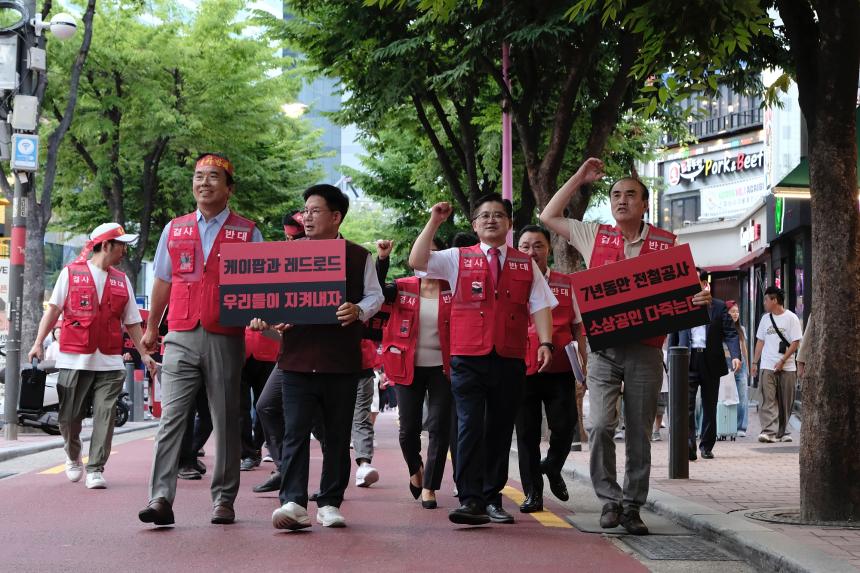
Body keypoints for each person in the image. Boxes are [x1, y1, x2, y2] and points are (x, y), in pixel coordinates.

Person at [540, 158, 711, 535]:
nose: (621, 201)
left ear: (645, 203)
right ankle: (609, 500)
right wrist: (579, 178)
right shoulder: (594, 236)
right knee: (600, 425)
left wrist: (700, 299)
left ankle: (633, 506)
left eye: (630, 195)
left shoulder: (668, 243)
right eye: (615, 195)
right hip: (604, 350)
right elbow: (549, 215)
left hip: (647, 351)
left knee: (638, 433)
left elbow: (690, 292)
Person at [410, 194, 557, 526]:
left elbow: (540, 305)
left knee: (500, 429)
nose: (492, 220)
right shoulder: (457, 257)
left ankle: (492, 498)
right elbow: (417, 260)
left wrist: (546, 342)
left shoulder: (524, 263)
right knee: (470, 425)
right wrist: (434, 221)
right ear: (475, 225)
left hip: (509, 356)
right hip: (468, 356)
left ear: (509, 224)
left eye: (499, 215)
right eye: (484, 216)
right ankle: (471, 499)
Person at [138, 152, 263, 527]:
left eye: (213, 177)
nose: (204, 183)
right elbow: (162, 279)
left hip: (225, 335)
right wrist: (151, 327)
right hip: (179, 333)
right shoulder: (174, 229)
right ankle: (160, 497)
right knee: (171, 418)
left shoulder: (248, 231)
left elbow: (262, 284)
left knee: (225, 419)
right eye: (198, 176)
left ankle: (224, 500)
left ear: (229, 188)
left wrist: (260, 313)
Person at [257, 184, 384, 531]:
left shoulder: (359, 256)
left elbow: (376, 297)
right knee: (295, 433)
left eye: (315, 211)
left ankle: (329, 502)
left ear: (336, 216)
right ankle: (294, 502)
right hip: (296, 359)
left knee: (337, 436)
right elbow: (270, 301)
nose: (307, 217)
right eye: (305, 211)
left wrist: (358, 309)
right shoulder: (287, 254)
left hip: (340, 362)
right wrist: (263, 319)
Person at [28, 223, 155, 489]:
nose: (125, 251)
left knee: (105, 415)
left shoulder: (122, 281)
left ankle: (96, 467)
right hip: (74, 359)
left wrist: (144, 354)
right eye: (121, 245)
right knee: (69, 419)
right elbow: (53, 311)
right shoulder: (71, 274)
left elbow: (132, 323)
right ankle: (73, 454)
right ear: (106, 245)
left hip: (109, 361)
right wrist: (38, 342)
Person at [514, 225, 587, 514]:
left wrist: (584, 362)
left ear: (548, 249)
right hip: (521, 367)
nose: (531, 252)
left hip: (560, 367)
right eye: (525, 246)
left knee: (565, 424)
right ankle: (533, 493)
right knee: (527, 434)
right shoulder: (511, 282)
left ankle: (552, 465)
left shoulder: (567, 283)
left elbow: (578, 327)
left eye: (538, 246)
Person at [377, 237, 453, 510]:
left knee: (438, 426)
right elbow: (374, 290)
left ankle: (430, 486)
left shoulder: (453, 288)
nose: (426, 262)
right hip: (406, 366)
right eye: (422, 256)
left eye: (432, 256)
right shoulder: (401, 287)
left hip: (444, 368)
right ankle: (415, 469)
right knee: (408, 429)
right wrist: (383, 260)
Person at [668, 270, 740, 460]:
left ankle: (706, 445)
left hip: (710, 360)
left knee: (710, 405)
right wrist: (670, 360)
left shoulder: (718, 306)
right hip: (687, 360)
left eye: (696, 282)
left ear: (703, 284)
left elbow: (730, 333)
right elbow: (672, 335)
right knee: (687, 406)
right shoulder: (680, 306)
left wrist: (735, 356)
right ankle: (689, 444)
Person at [751, 286, 802, 443]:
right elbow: (760, 341)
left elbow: (795, 343)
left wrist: (783, 360)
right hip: (767, 365)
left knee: (786, 401)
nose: (764, 303)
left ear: (774, 300)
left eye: (766, 299)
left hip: (787, 367)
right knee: (768, 399)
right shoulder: (765, 319)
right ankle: (769, 431)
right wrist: (754, 362)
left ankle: (782, 431)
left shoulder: (791, 318)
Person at [240, 328, 280, 471]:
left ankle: (257, 447)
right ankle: (247, 453)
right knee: (240, 408)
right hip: (241, 351)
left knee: (265, 407)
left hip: (268, 351)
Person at [726, 300, 750, 437]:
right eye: (732, 311)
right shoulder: (722, 328)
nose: (735, 314)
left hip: (740, 366)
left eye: (737, 311)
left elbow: (744, 348)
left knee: (742, 396)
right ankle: (726, 425)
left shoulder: (742, 329)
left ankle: (741, 427)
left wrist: (748, 363)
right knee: (725, 396)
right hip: (726, 365)